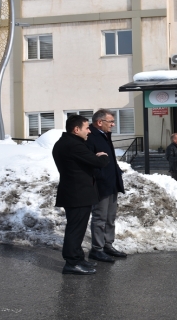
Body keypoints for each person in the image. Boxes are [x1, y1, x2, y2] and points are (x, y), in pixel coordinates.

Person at [52, 115, 109, 275]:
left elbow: (83, 163)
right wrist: (103, 156)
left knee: (77, 228)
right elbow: (99, 163)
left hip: (76, 193)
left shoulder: (67, 143)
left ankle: (78, 258)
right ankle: (72, 263)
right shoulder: (73, 145)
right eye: (86, 128)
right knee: (75, 229)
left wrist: (93, 158)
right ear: (76, 130)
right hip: (77, 194)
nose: (89, 131)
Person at [86, 109, 127, 263]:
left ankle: (107, 245)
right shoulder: (90, 137)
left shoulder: (104, 135)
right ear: (99, 122)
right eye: (110, 122)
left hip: (112, 182)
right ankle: (97, 249)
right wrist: (100, 177)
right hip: (101, 184)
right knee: (100, 217)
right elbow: (90, 161)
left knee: (110, 217)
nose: (113, 124)